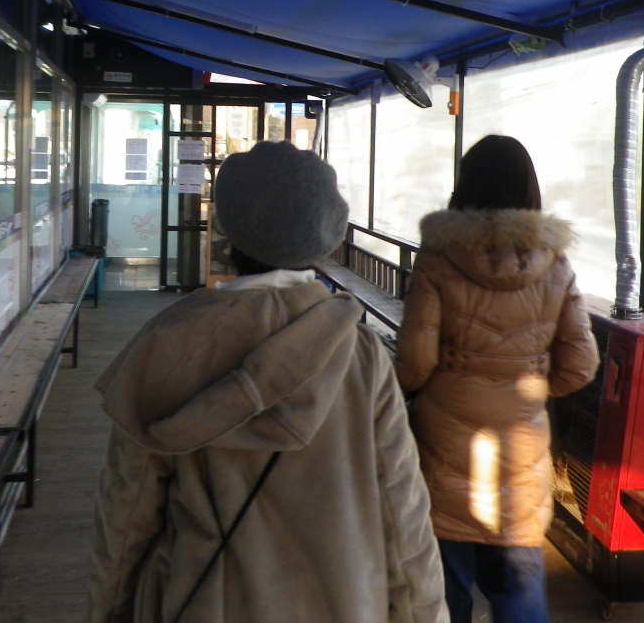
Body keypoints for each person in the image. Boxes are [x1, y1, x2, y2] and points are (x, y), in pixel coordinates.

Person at [86, 141, 446, 623]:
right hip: (345, 603)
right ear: (324, 237)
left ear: (228, 231)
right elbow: (404, 517)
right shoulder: (361, 355)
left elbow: (126, 515)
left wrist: (108, 610)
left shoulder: (168, 344)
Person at [395, 135, 600, 623]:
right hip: (519, 455)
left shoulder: (438, 258)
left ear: (465, 186)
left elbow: (414, 364)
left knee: (443, 597)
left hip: (444, 452)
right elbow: (580, 364)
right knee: (519, 595)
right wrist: (526, 386)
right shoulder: (556, 265)